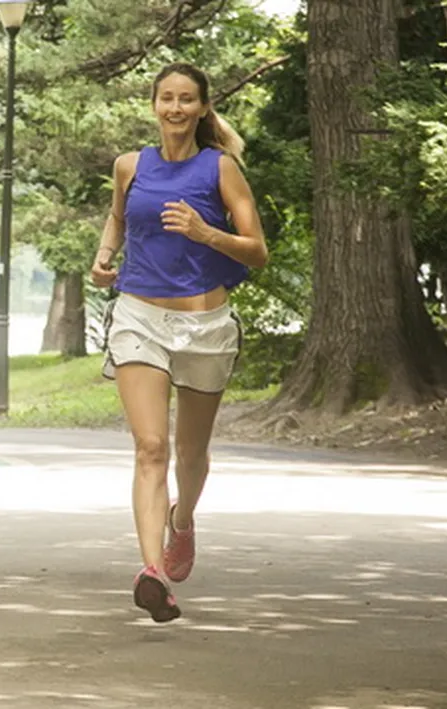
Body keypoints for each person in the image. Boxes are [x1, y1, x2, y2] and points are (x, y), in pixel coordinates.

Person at [91, 63, 270, 623]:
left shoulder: (220, 168)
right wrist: (104, 259)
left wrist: (205, 232)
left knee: (191, 453)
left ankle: (183, 520)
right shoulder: (130, 165)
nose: (174, 108)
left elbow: (257, 250)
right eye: (165, 98)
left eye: (186, 99)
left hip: (205, 323)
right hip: (138, 314)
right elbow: (117, 220)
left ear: (201, 108)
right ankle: (152, 572)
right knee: (150, 447)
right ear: (153, 105)